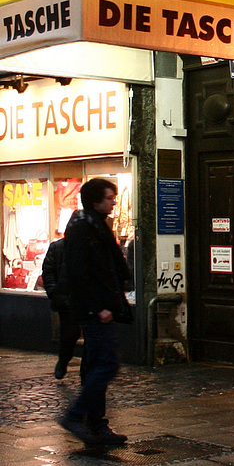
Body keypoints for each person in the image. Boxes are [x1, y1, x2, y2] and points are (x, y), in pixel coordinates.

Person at [58, 178, 132, 447]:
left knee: (97, 366)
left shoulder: (97, 225)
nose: (114, 201)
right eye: (109, 197)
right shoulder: (82, 228)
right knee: (107, 364)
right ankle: (78, 416)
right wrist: (98, 307)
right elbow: (78, 274)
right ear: (95, 200)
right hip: (95, 311)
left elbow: (111, 266)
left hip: (103, 308)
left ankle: (95, 423)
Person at [41, 234, 86, 381]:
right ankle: (63, 360)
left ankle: (86, 372)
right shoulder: (58, 247)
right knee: (69, 335)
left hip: (88, 300)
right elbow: (48, 271)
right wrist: (55, 293)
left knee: (91, 337)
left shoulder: (92, 246)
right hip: (67, 300)